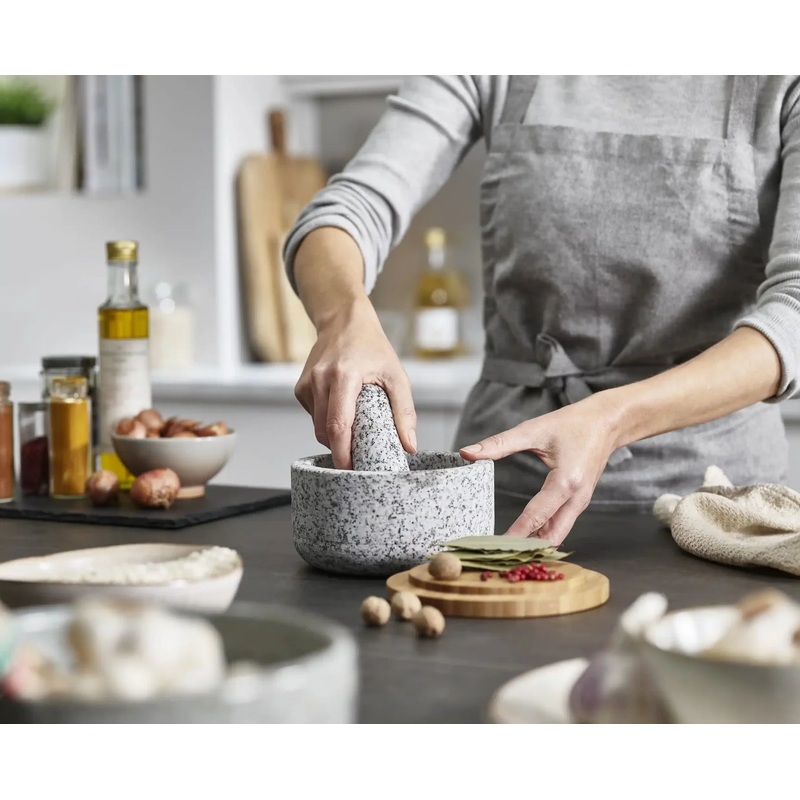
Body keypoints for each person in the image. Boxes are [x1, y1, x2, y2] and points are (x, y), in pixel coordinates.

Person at [283, 75, 800, 546]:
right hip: (503, 500)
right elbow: (347, 210)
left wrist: (611, 418)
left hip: (720, 510)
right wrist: (345, 316)